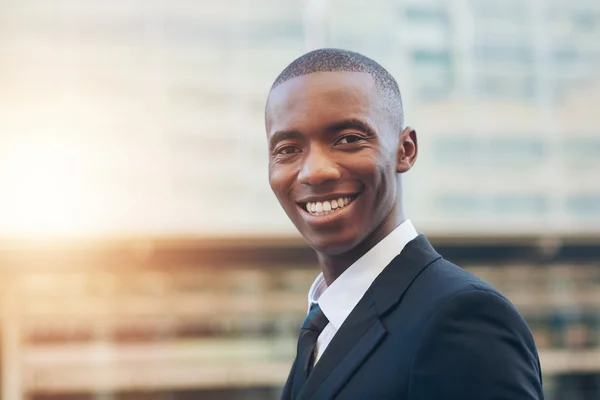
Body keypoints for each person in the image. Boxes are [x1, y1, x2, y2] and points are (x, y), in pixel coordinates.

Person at [264, 48, 544, 400]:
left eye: (349, 139)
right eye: (288, 149)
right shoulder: (324, 325)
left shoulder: (463, 320)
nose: (316, 171)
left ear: (405, 149)